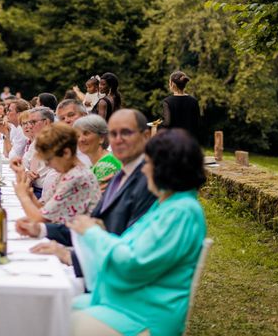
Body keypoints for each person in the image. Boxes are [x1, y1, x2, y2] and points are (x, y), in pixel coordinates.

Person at [69, 129, 207, 336]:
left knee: (60, 319)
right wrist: (102, 232)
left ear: (166, 168)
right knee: (60, 304)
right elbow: (133, 248)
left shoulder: (182, 212)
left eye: (148, 163)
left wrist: (93, 234)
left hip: (146, 315)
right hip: (130, 302)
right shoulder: (167, 204)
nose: (144, 171)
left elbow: (133, 262)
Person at [17, 109, 157, 277]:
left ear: (146, 136)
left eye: (126, 132)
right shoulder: (120, 175)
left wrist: (70, 256)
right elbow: (93, 226)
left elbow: (130, 249)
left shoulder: (148, 183)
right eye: (113, 133)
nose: (118, 140)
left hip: (110, 279)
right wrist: (41, 230)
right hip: (91, 261)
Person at [11, 123, 100, 224]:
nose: (48, 165)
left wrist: (23, 196)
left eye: (49, 160)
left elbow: (40, 219)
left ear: (66, 153)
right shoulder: (64, 174)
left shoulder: (77, 177)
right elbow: (43, 207)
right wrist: (25, 187)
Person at [17, 107, 58, 200]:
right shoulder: (37, 139)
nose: (30, 126)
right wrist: (27, 172)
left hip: (46, 193)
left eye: (33, 122)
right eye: (28, 123)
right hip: (33, 188)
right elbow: (25, 162)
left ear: (46, 122)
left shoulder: (56, 141)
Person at [73, 115, 122, 189]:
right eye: (77, 136)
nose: (81, 139)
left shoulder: (105, 166)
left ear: (101, 138)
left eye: (86, 134)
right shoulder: (102, 161)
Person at [159, 70, 200, 138]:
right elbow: (197, 124)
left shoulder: (167, 101)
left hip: (174, 141)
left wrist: (157, 126)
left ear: (172, 84)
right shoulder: (194, 101)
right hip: (190, 140)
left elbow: (167, 123)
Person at [55, 99, 91, 166]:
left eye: (71, 115)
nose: (67, 121)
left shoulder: (99, 140)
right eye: (62, 118)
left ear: (85, 115)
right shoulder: (61, 146)